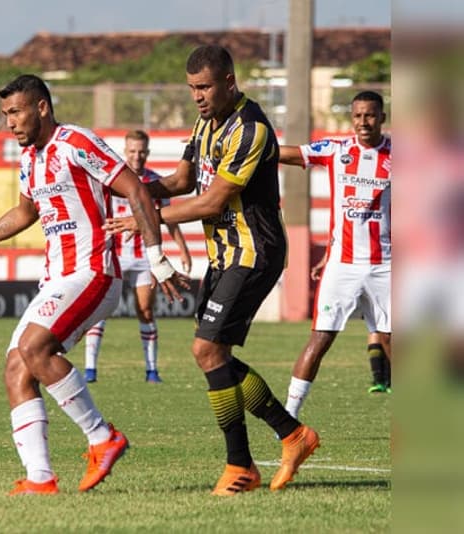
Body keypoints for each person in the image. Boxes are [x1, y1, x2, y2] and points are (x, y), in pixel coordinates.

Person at [0, 74, 190, 495]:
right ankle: (40, 478)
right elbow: (24, 214)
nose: (9, 123)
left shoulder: (76, 142)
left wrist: (156, 257)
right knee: (16, 368)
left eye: (15, 112)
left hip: (92, 271)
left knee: (34, 348)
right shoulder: (29, 158)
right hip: (57, 277)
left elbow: (135, 190)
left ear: (41, 107)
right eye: (5, 115)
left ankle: (101, 437)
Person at [104, 44, 319, 495]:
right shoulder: (206, 122)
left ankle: (241, 465)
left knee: (206, 349)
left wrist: (148, 218)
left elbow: (212, 202)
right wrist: (133, 191)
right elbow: (181, 182)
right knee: (213, 355)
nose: (197, 96)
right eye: (191, 88)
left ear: (228, 81)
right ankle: (292, 434)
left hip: (255, 252)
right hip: (224, 255)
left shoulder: (251, 129)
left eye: (203, 87)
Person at [281, 91, 392, 420]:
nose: (363, 122)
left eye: (370, 115)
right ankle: (288, 418)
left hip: (386, 265)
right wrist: (245, 147)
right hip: (342, 265)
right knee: (320, 338)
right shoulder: (336, 150)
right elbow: (288, 153)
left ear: (382, 118)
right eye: (357, 115)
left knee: (392, 342)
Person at [83, 129, 193, 384]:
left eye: (141, 151)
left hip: (144, 257)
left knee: (145, 310)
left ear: (148, 152)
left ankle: (151, 370)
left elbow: (169, 220)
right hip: (114, 256)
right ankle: (90, 369)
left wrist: (182, 249)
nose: (137, 156)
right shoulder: (113, 180)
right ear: (125, 151)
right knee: (100, 311)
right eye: (132, 151)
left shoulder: (157, 182)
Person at [307, 242, 391, 397]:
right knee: (383, 327)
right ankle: (383, 379)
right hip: (380, 272)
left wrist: (324, 261)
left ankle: (380, 379)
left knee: (376, 328)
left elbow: (334, 238)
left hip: (356, 271)